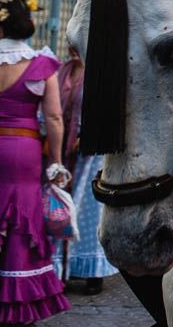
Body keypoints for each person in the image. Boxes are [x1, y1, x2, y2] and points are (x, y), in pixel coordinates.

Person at [0, 0, 70, 323]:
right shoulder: (42, 65)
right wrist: (56, 161)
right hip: (22, 151)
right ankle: (16, 297)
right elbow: (53, 118)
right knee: (22, 216)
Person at [52, 44, 116, 294]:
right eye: (71, 44)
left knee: (87, 212)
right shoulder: (62, 71)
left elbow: (108, 113)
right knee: (63, 209)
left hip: (90, 157)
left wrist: (88, 135)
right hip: (65, 155)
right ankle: (63, 268)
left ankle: (92, 271)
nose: (73, 49)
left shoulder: (99, 75)